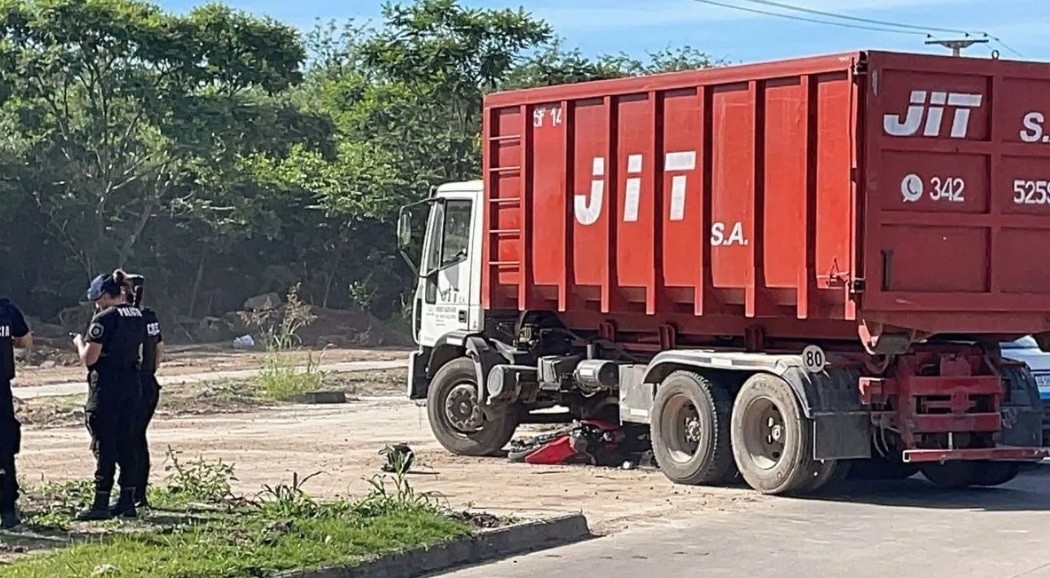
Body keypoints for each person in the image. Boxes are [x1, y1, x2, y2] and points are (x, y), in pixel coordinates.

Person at [73, 270, 145, 521]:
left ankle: (100, 502)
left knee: (104, 444)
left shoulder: (104, 319)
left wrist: (79, 344)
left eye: (97, 298)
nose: (95, 303)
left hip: (106, 387)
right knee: (127, 442)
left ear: (105, 295)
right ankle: (127, 500)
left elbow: (89, 358)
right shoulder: (137, 315)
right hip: (131, 384)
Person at [125, 275, 162, 508]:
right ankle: (140, 493)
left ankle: (129, 493)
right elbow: (159, 349)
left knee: (129, 439)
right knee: (139, 438)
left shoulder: (124, 319)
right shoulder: (149, 316)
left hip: (133, 385)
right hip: (149, 382)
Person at [0, 298, 31, 529]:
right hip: (2, 389)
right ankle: (8, 510)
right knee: (4, 450)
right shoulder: (7, 309)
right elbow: (25, 341)